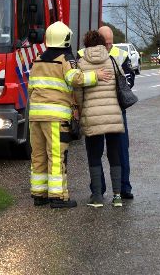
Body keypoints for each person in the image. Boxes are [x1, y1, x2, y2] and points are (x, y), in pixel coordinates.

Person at [28, 21, 111, 209]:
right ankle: (58, 197)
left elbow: (31, 87)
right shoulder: (65, 59)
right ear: (65, 39)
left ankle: (39, 194)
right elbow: (75, 79)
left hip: (35, 116)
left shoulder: (38, 59)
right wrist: (96, 75)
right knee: (56, 156)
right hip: (55, 117)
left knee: (38, 155)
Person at [78, 26, 135, 199]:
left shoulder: (82, 58)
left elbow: (77, 85)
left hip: (94, 111)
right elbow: (124, 83)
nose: (109, 46)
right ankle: (114, 192)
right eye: (107, 42)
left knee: (104, 152)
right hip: (114, 109)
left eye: (111, 42)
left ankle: (111, 191)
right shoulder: (108, 59)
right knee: (116, 151)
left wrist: (81, 110)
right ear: (101, 40)